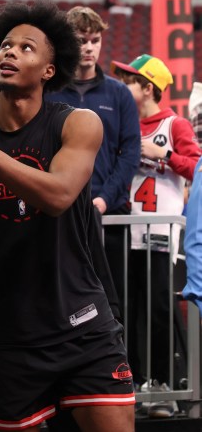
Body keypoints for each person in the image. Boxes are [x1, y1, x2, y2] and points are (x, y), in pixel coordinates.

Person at [0, 0, 135, 432]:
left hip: (82, 328)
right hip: (6, 338)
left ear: (50, 71)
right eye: (6, 45)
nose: (10, 52)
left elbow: (57, 195)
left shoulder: (78, 124)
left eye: (27, 48)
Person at [112, 54, 200, 418]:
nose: (122, 84)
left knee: (159, 309)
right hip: (123, 232)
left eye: (130, 80)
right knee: (127, 310)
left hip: (159, 234)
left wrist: (162, 154)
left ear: (148, 88)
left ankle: (163, 383)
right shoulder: (123, 122)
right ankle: (130, 381)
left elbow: (197, 166)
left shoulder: (174, 125)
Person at [47, 6, 140, 312]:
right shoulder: (48, 92)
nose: (88, 47)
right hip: (59, 213)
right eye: (81, 39)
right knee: (61, 300)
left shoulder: (119, 94)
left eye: (95, 40)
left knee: (113, 303)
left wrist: (103, 200)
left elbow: (130, 154)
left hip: (110, 216)